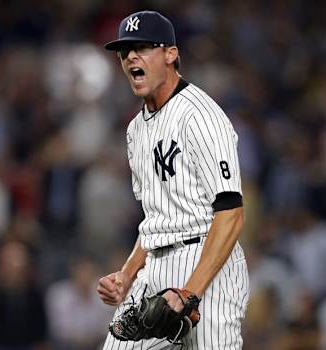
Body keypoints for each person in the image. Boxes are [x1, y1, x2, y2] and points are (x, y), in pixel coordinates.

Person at [97, 10, 249, 349]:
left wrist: (190, 292)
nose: (131, 57)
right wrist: (127, 274)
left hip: (209, 267)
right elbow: (155, 218)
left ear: (171, 54)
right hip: (155, 268)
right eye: (125, 51)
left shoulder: (200, 116)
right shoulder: (135, 129)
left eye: (144, 47)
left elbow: (231, 214)